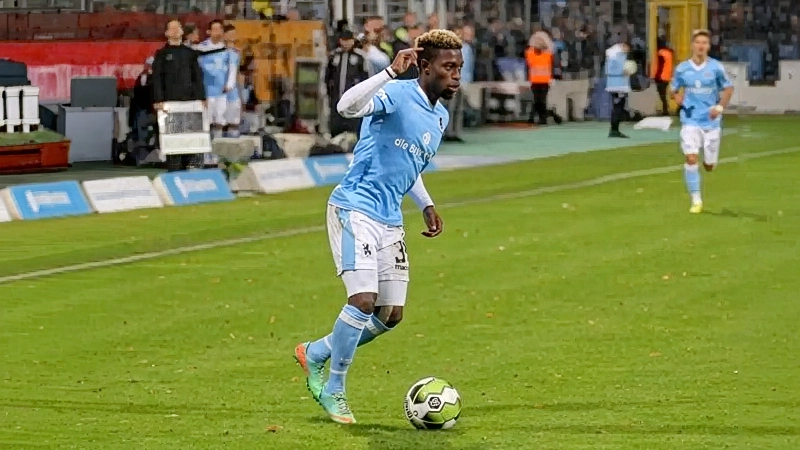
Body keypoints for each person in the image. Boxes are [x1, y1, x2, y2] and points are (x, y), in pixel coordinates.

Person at [293, 29, 463, 425]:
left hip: (390, 219)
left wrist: (426, 203)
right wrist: (388, 72)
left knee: (391, 314)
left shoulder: (440, 116)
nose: (456, 75)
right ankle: (334, 387)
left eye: (459, 67)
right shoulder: (397, 94)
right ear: (425, 66)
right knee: (363, 300)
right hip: (355, 208)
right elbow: (346, 107)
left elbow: (409, 165)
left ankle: (316, 351)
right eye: (448, 67)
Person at [669, 29, 733, 214]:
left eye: (704, 43)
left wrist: (719, 107)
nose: (701, 46)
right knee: (691, 158)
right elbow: (673, 88)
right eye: (698, 42)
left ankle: (709, 160)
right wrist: (677, 96)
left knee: (709, 166)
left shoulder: (716, 67)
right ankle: (696, 200)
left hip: (711, 122)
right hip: (690, 120)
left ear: (708, 46)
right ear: (692, 45)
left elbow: (728, 89)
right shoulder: (682, 68)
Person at [151, 19, 206, 171]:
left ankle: (191, 165)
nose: (175, 31)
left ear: (182, 32)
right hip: (170, 101)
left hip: (190, 101)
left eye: (177, 28)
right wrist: (158, 99)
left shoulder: (190, 53)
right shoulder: (162, 54)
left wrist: (202, 97)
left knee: (190, 134)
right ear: (166, 33)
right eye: (171, 28)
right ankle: (174, 166)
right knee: (173, 136)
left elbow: (197, 76)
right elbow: (157, 78)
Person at [195, 19, 236, 140]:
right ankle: (205, 145)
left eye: (220, 29)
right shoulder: (201, 48)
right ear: (209, 31)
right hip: (206, 91)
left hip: (221, 90)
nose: (217, 32)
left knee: (220, 119)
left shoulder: (227, 49)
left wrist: (229, 84)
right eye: (215, 29)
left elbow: (232, 67)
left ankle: (218, 143)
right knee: (206, 120)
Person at [326, 30, 368, 136]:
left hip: (353, 100)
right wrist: (330, 93)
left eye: (348, 40)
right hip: (336, 98)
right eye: (343, 40)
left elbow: (365, 78)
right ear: (340, 41)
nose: (346, 43)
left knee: (353, 127)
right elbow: (327, 77)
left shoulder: (360, 57)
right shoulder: (334, 56)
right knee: (336, 127)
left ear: (353, 41)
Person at [525, 31, 562, 126]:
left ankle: (542, 118)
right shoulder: (529, 52)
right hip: (534, 80)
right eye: (537, 40)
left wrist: (553, 78)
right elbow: (529, 66)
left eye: (541, 40)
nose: (538, 42)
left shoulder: (549, 53)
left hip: (545, 81)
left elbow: (553, 66)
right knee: (537, 101)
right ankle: (550, 114)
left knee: (541, 101)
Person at [604, 41, 632, 138]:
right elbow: (609, 70)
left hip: (620, 85)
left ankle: (615, 129)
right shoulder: (614, 56)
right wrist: (622, 71)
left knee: (619, 107)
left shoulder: (619, 55)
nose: (628, 50)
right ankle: (614, 130)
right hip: (617, 86)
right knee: (617, 108)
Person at [223, 24, 242, 137]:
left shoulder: (237, 52)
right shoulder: (219, 51)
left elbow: (237, 71)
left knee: (234, 120)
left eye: (234, 34)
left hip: (233, 90)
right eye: (230, 34)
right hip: (220, 89)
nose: (232, 36)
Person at [652, 39, 674, 116]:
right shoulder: (669, 53)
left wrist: (655, 76)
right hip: (667, 77)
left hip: (661, 76)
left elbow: (659, 66)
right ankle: (665, 109)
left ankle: (665, 109)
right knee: (663, 93)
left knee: (662, 94)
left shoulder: (660, 53)